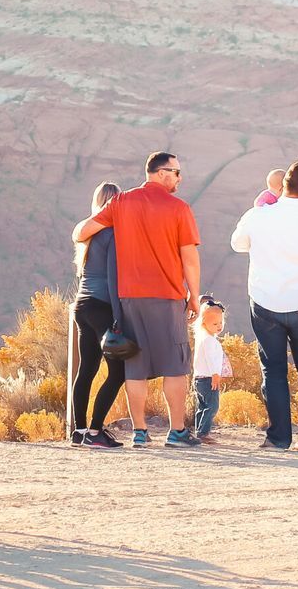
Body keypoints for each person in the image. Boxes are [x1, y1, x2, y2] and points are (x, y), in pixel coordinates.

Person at [72, 152, 203, 447]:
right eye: (176, 172)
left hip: (128, 299)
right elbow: (190, 259)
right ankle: (177, 432)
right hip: (166, 296)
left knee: (135, 367)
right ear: (160, 173)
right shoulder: (179, 208)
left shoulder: (121, 202)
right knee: (174, 365)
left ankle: (140, 433)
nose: (180, 178)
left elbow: (81, 233)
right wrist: (194, 297)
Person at [229, 159, 298, 449]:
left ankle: (278, 438)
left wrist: (257, 212)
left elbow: (237, 244)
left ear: (283, 184)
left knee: (273, 370)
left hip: (265, 302)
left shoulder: (258, 215)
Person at [69, 182, 128, 448]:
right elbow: (114, 279)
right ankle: (95, 432)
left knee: (87, 370)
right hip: (101, 306)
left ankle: (78, 431)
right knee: (118, 371)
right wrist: (119, 315)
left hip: (81, 305)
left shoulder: (88, 233)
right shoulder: (111, 233)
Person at [191, 297, 233, 443]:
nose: (219, 326)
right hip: (208, 377)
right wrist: (215, 374)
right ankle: (203, 433)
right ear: (204, 323)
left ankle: (199, 431)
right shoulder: (209, 340)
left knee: (202, 405)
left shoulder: (204, 338)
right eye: (215, 323)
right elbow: (210, 358)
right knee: (212, 406)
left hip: (199, 378)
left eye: (221, 322)